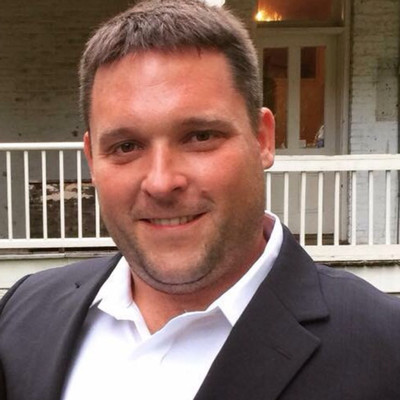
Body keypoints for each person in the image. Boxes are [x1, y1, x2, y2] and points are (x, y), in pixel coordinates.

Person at [1, 1, 400, 399]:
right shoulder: (24, 313)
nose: (161, 182)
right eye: (126, 146)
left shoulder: (384, 349)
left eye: (200, 137)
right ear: (92, 160)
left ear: (263, 139)